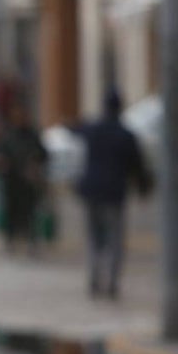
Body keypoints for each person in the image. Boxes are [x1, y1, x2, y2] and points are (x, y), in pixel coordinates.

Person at [71, 87, 152, 299]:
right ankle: (111, 281)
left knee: (94, 237)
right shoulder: (124, 135)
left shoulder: (94, 130)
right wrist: (144, 187)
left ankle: (95, 277)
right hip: (113, 193)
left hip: (92, 191)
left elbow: (76, 134)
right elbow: (137, 166)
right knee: (114, 238)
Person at [0, 99, 48, 254]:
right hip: (12, 181)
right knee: (11, 212)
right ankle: (10, 240)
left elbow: (43, 154)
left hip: (28, 182)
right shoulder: (8, 135)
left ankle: (32, 241)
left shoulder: (32, 134)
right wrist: (1, 162)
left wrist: (36, 162)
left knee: (30, 212)